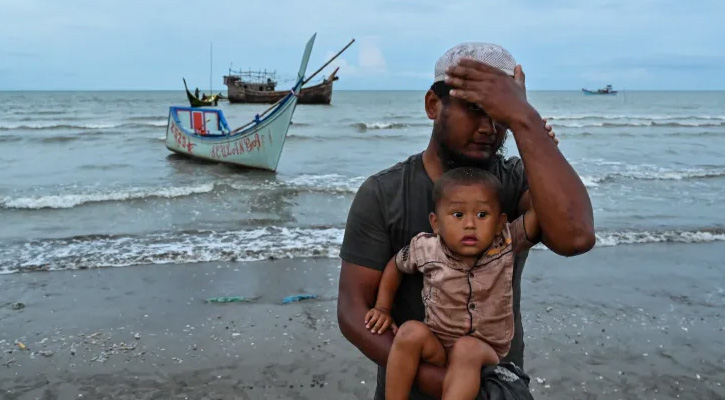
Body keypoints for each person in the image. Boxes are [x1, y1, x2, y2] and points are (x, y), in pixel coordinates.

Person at [337, 42, 595, 400]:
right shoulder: (385, 193)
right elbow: (353, 311)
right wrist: (439, 381)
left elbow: (576, 236)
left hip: (499, 388)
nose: (489, 128)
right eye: (474, 110)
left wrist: (527, 124)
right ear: (433, 105)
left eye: (500, 115)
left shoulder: (517, 182)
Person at [364, 167, 541, 400]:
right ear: (436, 223)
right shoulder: (426, 249)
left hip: (484, 351)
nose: (470, 224)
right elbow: (395, 266)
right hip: (438, 345)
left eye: (482, 215)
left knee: (467, 348)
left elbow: (542, 211)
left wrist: (543, 153)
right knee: (409, 332)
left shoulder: (505, 242)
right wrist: (383, 307)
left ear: (500, 223)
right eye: (458, 215)